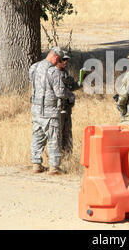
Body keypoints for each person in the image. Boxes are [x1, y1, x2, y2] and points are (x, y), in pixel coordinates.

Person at [28, 47, 70, 175]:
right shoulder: (53, 72)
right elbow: (60, 93)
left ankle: (36, 164)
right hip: (50, 112)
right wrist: (68, 94)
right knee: (54, 138)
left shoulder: (34, 67)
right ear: (56, 57)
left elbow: (32, 83)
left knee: (37, 136)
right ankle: (54, 167)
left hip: (36, 110)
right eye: (60, 59)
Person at [55, 53, 84, 164]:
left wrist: (80, 81)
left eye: (67, 60)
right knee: (58, 133)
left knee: (67, 133)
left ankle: (68, 158)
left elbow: (72, 87)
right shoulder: (53, 73)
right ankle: (56, 159)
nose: (65, 62)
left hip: (67, 108)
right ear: (57, 60)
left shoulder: (65, 73)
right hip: (58, 109)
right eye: (63, 60)